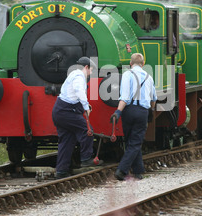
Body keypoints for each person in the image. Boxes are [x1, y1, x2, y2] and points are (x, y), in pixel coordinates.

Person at [52, 56, 102, 179]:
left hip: (59, 111)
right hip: (68, 112)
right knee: (87, 130)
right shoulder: (79, 76)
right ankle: (86, 158)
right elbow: (79, 90)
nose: (90, 74)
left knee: (67, 141)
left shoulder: (72, 75)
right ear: (86, 67)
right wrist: (86, 107)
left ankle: (61, 170)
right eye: (90, 70)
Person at [111, 53, 157, 181]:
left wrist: (118, 112)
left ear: (130, 64)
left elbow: (124, 97)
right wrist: (151, 110)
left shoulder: (127, 74)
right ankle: (122, 170)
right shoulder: (149, 77)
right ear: (143, 64)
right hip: (142, 111)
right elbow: (154, 98)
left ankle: (138, 171)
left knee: (131, 141)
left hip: (128, 111)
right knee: (136, 142)